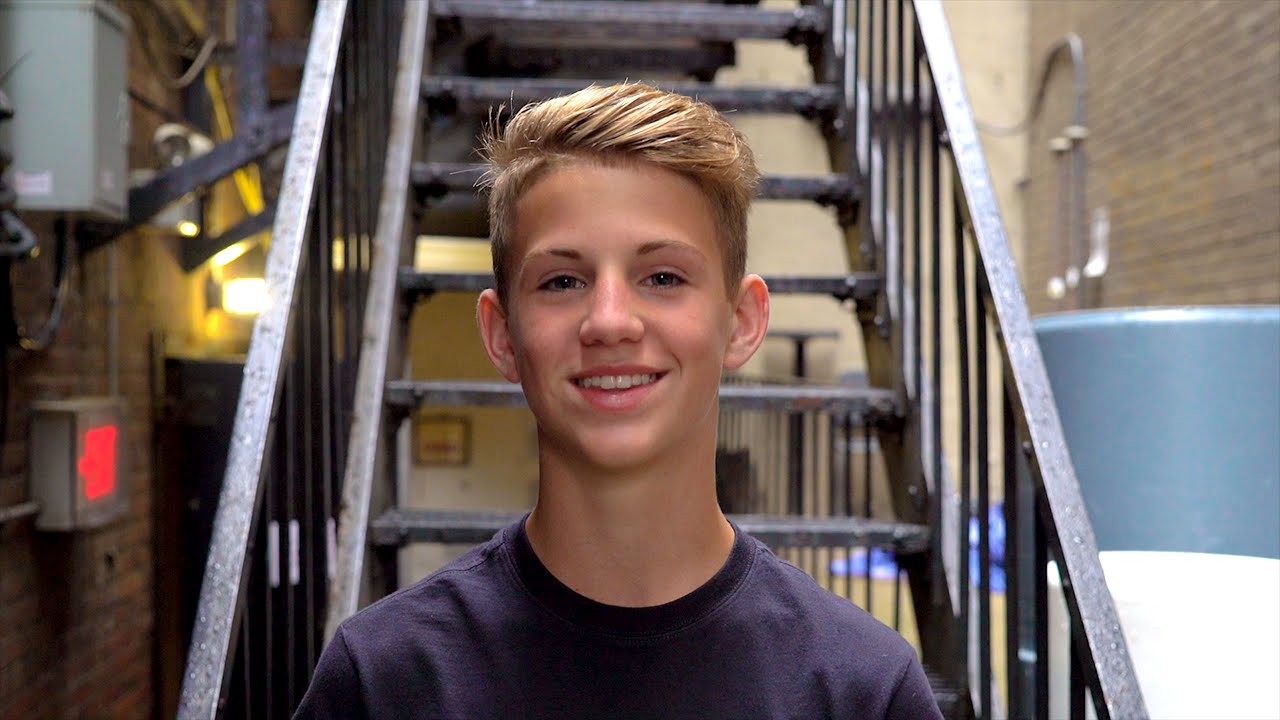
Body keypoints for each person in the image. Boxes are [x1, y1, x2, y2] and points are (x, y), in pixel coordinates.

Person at [295, 83, 942, 719]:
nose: (609, 321)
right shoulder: (385, 680)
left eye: (662, 276)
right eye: (562, 281)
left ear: (742, 322)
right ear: (503, 336)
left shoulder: (862, 690)